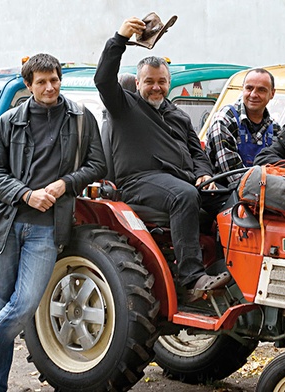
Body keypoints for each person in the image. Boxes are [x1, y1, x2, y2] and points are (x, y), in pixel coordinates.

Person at [0, 54, 106, 391]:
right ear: (29, 85)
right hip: (6, 224)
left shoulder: (80, 118)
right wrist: (26, 194)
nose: (49, 87)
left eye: (54, 79)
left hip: (48, 227)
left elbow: (98, 164)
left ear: (60, 79)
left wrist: (66, 183)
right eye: (41, 81)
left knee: (23, 305)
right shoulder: (9, 121)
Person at [94, 17, 231, 300]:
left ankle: (231, 268)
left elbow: (198, 153)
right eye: (149, 82)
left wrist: (204, 174)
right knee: (184, 195)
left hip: (182, 181)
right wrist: (119, 39)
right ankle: (192, 279)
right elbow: (104, 78)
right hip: (140, 181)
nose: (155, 87)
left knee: (235, 199)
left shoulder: (178, 115)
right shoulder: (125, 107)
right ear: (138, 82)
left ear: (169, 83)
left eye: (161, 82)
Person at [205, 68, 281, 185]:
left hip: (263, 193)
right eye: (249, 88)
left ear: (272, 93)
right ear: (242, 89)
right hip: (225, 195)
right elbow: (233, 176)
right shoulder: (225, 119)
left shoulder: (275, 128)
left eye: (261, 90)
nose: (253, 94)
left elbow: (280, 169)